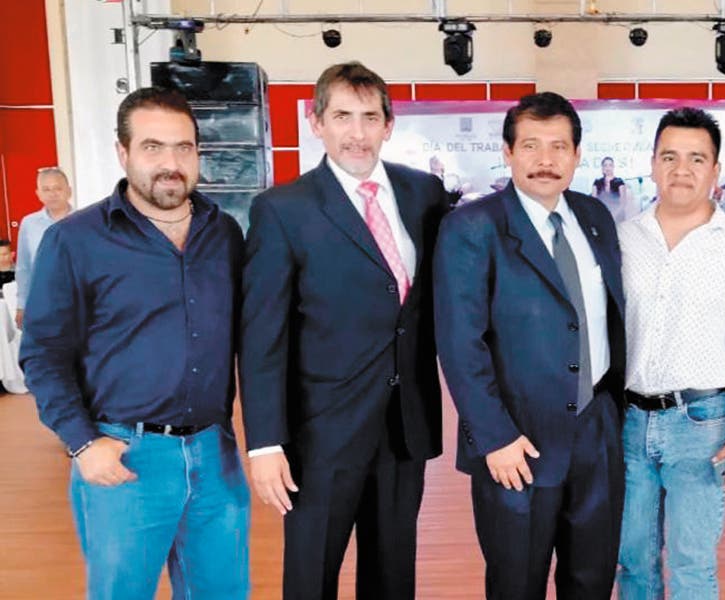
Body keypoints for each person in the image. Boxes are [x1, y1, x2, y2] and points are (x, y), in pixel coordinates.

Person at [20, 87, 248, 600]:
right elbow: (43, 353)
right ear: (122, 153)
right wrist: (83, 443)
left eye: (184, 147)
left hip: (215, 456)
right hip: (124, 456)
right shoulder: (76, 240)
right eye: (152, 147)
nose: (171, 164)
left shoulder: (224, 234)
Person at [239, 61, 447, 600]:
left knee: (393, 577)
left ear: (388, 125)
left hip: (405, 427)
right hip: (320, 435)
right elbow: (262, 337)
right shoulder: (282, 209)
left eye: (370, 117)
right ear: (316, 123)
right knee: (312, 577)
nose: (357, 133)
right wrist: (264, 442)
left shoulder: (425, 194)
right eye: (342, 117)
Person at [434, 92, 626, 600]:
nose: (545, 160)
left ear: (577, 155)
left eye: (559, 146)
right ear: (508, 152)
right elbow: (459, 342)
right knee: (516, 584)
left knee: (591, 581)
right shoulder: (472, 227)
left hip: (596, 433)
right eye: (531, 146)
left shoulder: (595, 217)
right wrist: (494, 436)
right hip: (516, 443)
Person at [616, 107, 725, 599]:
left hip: (701, 424)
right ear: (653, 164)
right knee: (632, 560)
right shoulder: (622, 240)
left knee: (692, 565)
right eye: (669, 157)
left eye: (696, 158)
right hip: (627, 421)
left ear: (716, 170)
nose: (681, 169)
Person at [15, 166, 73, 328]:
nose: (52, 194)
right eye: (46, 189)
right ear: (38, 194)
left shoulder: (85, 220)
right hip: (43, 302)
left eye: (57, 188)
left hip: (79, 300)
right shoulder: (29, 224)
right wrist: (21, 305)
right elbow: (23, 268)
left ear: (69, 191)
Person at [593, 156, 639, 222]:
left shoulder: (619, 182)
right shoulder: (597, 182)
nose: (608, 168)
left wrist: (614, 214)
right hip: (601, 215)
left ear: (613, 167)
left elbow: (623, 203)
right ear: (602, 167)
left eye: (610, 165)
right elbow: (594, 201)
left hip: (617, 215)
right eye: (605, 165)